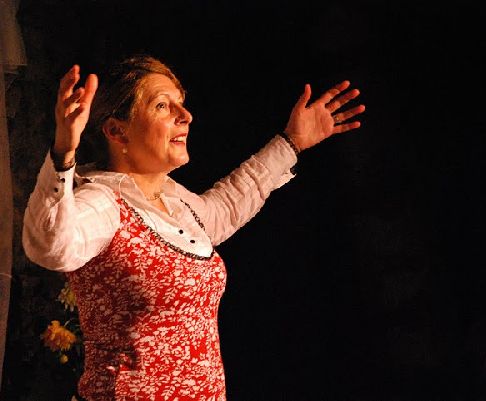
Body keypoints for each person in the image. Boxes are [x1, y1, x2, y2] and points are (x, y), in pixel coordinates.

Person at [22, 55, 365, 401]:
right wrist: (63, 151)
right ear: (116, 130)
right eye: (162, 105)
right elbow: (51, 246)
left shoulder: (175, 202)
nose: (185, 115)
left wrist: (291, 143)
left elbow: (227, 206)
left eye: (181, 103)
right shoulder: (103, 202)